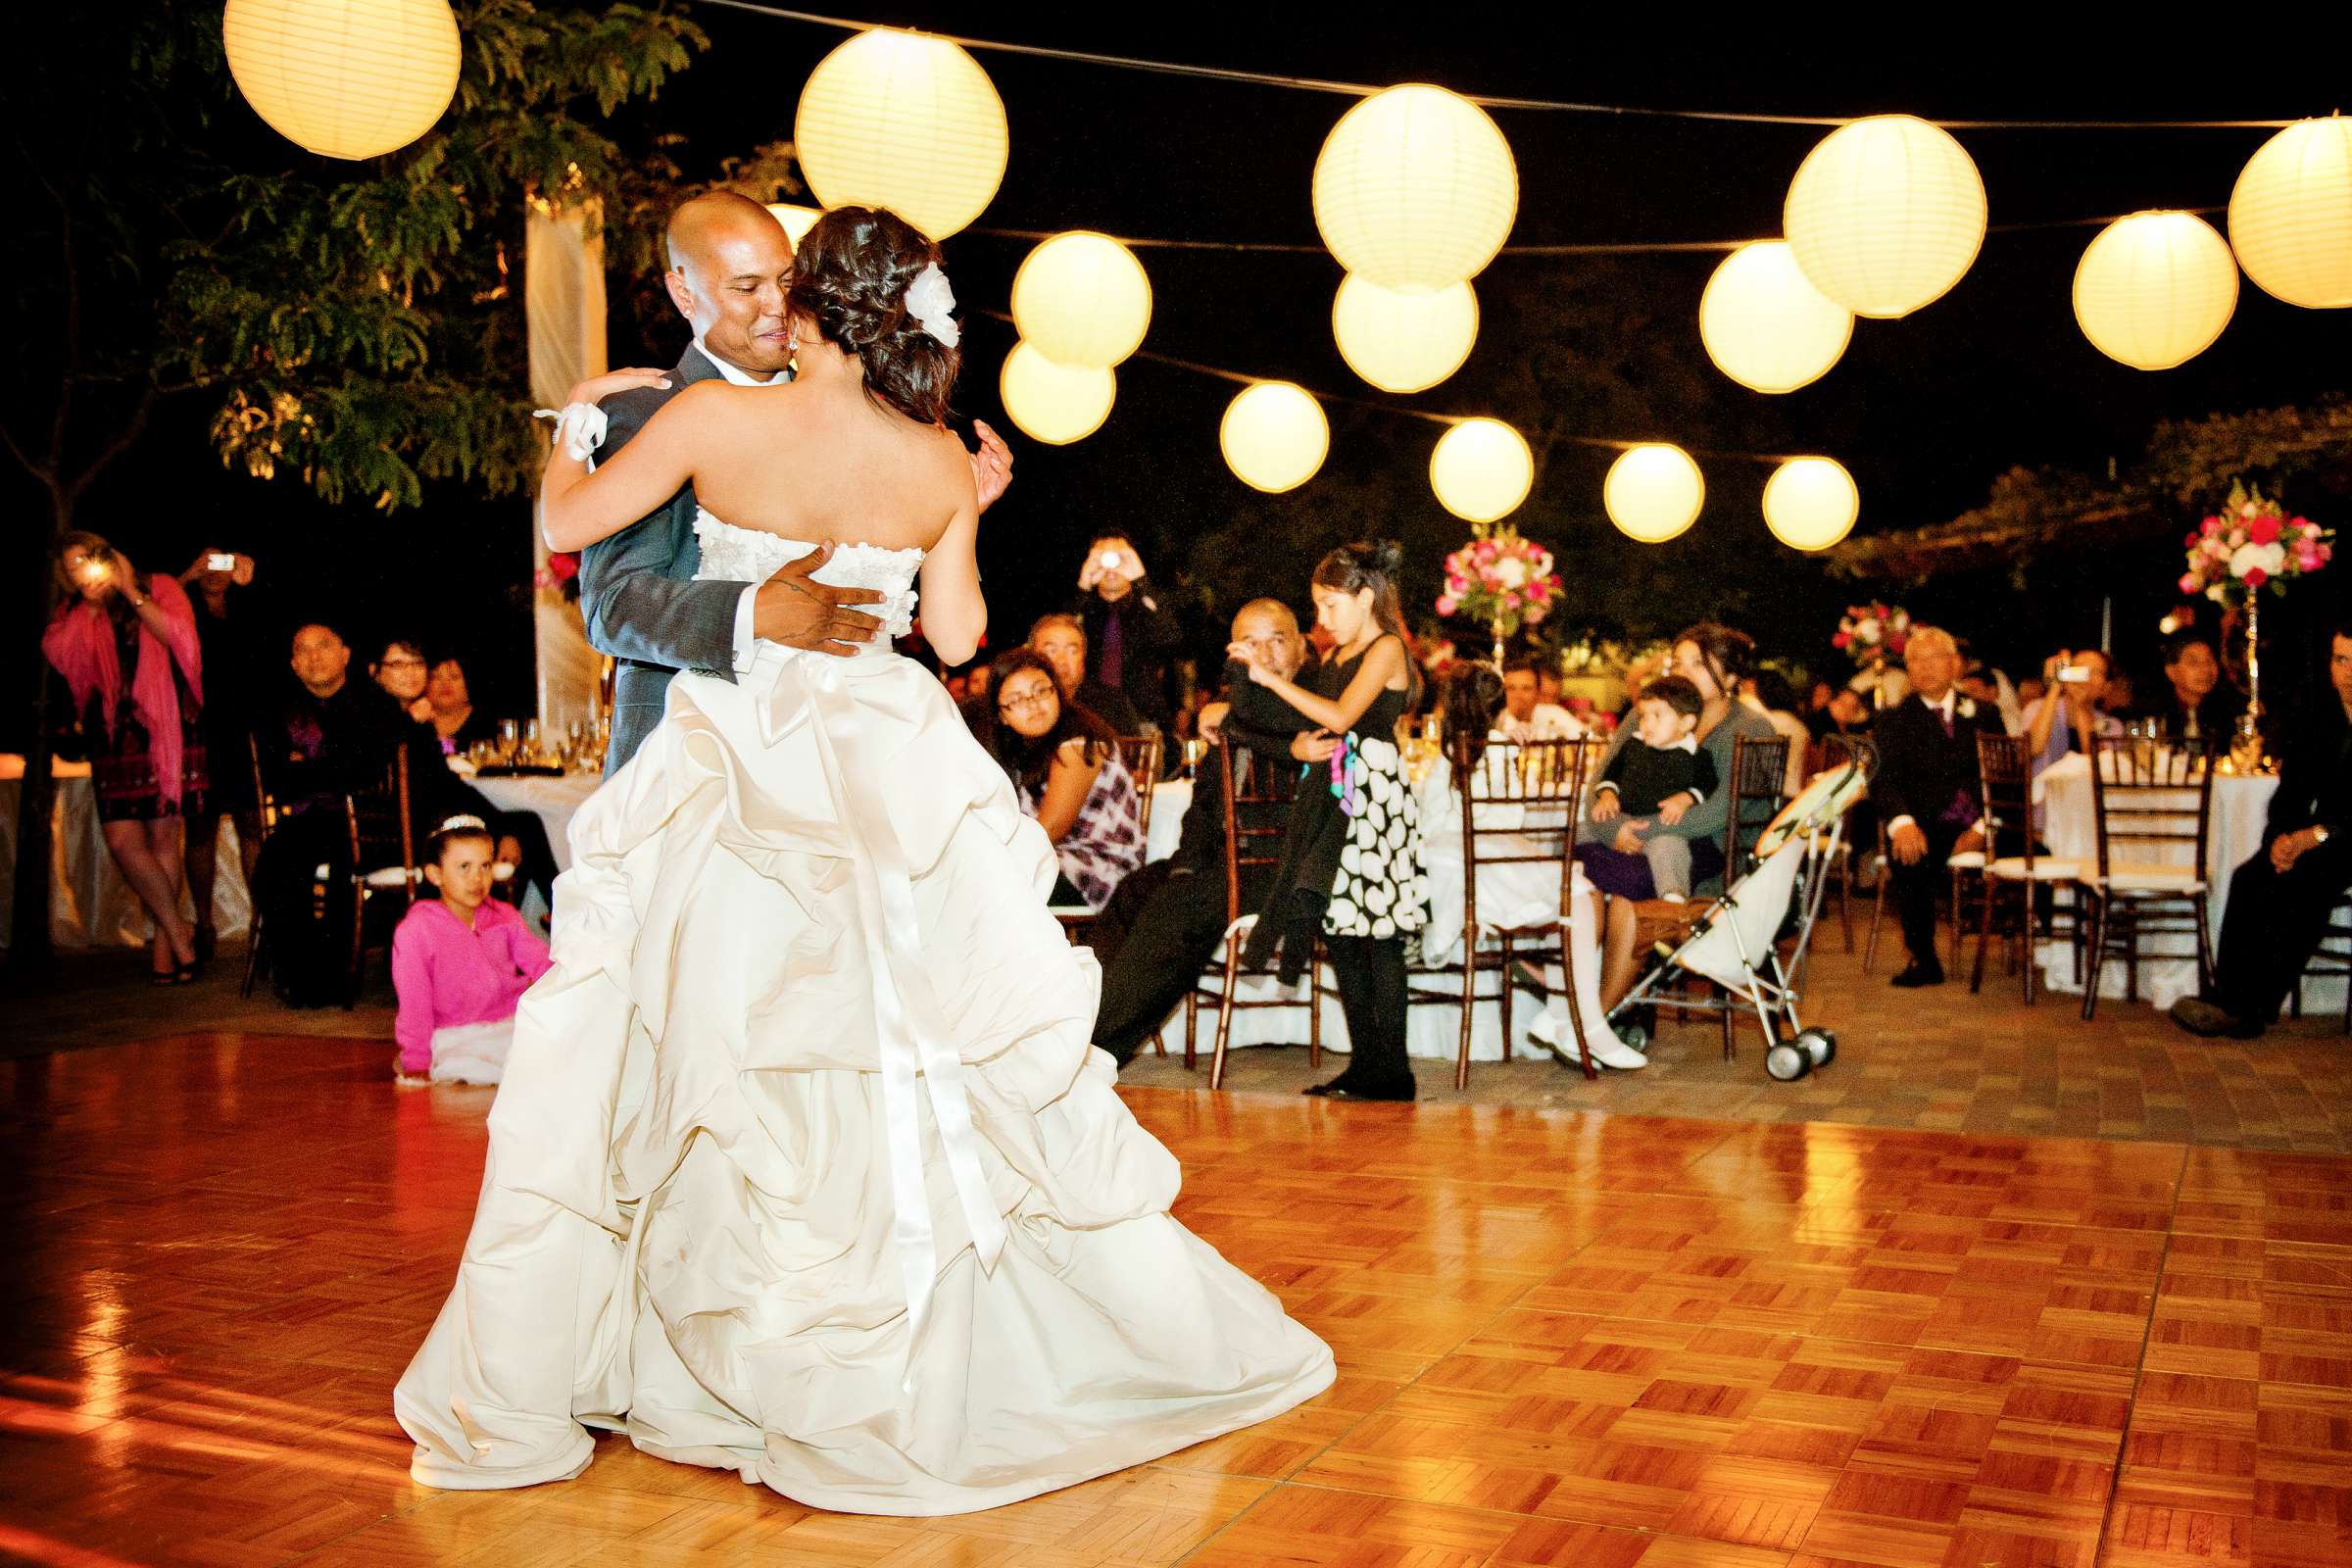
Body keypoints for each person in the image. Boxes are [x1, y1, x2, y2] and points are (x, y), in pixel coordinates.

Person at [396, 206, 1332, 1514]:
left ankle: (748, 1337)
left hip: (742, 765)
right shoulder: (940, 457)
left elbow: (572, 526)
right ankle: (914, 1329)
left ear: (815, 305)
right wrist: (951, 512)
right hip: (888, 761)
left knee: (722, 1049)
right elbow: (956, 632)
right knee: (906, 1052)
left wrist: (578, 431)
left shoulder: (714, 428)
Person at [572, 190, 1013, 774]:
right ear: (684, 292)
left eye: (786, 280)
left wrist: (951, 520)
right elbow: (611, 605)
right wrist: (751, 611)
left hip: (859, 753)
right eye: (745, 287)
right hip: (694, 757)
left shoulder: (886, 425)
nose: (775, 304)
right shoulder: (646, 410)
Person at [1228, 540, 1430, 1102]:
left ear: (1366, 598)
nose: (1322, 620)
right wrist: (1242, 686)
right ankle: (1367, 1065)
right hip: (1339, 793)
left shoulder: (1386, 648)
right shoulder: (1338, 657)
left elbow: (1342, 717)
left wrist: (1268, 679)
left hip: (1374, 798)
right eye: (1317, 607)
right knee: (1342, 928)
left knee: (1379, 935)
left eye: (1330, 606)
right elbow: (1298, 714)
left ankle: (1393, 1071)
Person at [1092, 601, 1318, 1064]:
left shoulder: (1318, 704)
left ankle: (1092, 1047)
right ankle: (1080, 1022)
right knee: (1136, 891)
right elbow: (1203, 807)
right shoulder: (1230, 713)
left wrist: (1228, 713)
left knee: (1178, 910)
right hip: (1222, 858)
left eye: (1276, 639)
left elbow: (1283, 726)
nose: (1264, 654)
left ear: (1300, 647)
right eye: (1249, 644)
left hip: (1277, 865)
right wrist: (1187, 861)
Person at [2168, 626, 2352, 1040]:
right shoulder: (2322, 717)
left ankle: (2254, 1008)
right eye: (2341, 660)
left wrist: (2317, 835)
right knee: (2251, 876)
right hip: (2318, 838)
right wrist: (2280, 841)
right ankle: (2225, 997)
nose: (2349, 672)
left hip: (2343, 839)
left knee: (2308, 883)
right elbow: (2291, 792)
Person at [1589, 624, 1780, 1012]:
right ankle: (1575, 1001)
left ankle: (1601, 1014)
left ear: (1729, 677)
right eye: (1678, 662)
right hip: (1642, 842)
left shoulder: (1750, 729)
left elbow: (1721, 812)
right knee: (1576, 878)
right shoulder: (1647, 712)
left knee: (1630, 891)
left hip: (1715, 859)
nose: (1683, 671)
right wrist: (1614, 830)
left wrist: (1640, 831)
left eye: (1699, 664)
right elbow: (1603, 779)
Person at [42, 532, 206, 983]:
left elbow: (180, 639)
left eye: (88, 560)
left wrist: (129, 590)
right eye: (72, 566)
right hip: (111, 734)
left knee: (162, 841)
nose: (82, 572)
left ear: (110, 556)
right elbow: (63, 657)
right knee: (121, 842)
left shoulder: (159, 586)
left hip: (166, 726)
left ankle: (164, 953)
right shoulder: (74, 610)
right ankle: (177, 930)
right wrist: (92, 608)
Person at [1867, 625, 1998, 989]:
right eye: (1915, 661)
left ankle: (2049, 952)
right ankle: (1924, 958)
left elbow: (2003, 779)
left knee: (2045, 855)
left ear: (1954, 663)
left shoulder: (1985, 714)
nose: (1925, 668)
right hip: (1928, 825)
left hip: (1982, 823)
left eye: (1934, 658)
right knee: (1909, 856)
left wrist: (1981, 830)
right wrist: (1902, 823)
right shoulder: (1893, 720)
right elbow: (1884, 780)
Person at [972, 648, 1144, 911]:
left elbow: (1049, 830)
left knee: (979, 887)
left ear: (1058, 693)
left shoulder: (1079, 742)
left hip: (1097, 869)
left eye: (1041, 691)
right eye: (1016, 699)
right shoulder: (1016, 747)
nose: (1033, 704)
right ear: (1001, 715)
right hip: (1051, 860)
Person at [388, 813, 553, 1085]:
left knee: (555, 1055)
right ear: (435, 874)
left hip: (509, 1023)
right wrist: (417, 1060)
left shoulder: (505, 916)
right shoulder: (417, 930)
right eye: (464, 867)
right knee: (481, 1069)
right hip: (457, 1034)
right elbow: (414, 1001)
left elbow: (541, 963)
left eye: (485, 866)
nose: (477, 877)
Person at [179, 547, 263, 966]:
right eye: (207, 564)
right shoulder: (182, 606)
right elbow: (148, 621)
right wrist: (187, 575)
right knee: (200, 829)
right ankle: (204, 923)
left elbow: (266, 647)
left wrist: (250, 590)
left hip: (243, 730)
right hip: (199, 731)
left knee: (252, 823)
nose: (215, 573)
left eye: (222, 565)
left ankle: (261, 923)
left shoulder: (244, 608)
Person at [1582, 675, 1716, 904]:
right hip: (1623, 819)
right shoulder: (1633, 745)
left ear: (1686, 723)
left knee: (1670, 847)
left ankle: (1673, 896)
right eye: (1643, 716)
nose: (1647, 723)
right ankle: (1562, 880)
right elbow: (1611, 774)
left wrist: (1684, 798)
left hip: (1659, 829)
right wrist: (1607, 795)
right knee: (1579, 830)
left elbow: (1707, 784)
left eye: (1657, 716)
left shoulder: (1695, 755)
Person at [1071, 534, 1180, 728]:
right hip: (1088, 718)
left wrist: (1141, 580)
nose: (1111, 566)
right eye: (1102, 558)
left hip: (1143, 718)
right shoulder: (1081, 609)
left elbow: (1171, 638)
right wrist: (1083, 585)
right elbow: (1059, 637)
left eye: (1120, 557)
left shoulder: (1149, 607)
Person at [1029, 611, 1146, 735]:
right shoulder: (1023, 703)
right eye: (1051, 651)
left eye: (1072, 651)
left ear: (1083, 659)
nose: (1062, 661)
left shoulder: (1113, 703)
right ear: (1031, 658)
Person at [2023, 646, 2122, 777]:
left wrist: (2080, 707)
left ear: (2106, 687)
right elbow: (2033, 748)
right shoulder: (2037, 708)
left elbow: (2099, 767)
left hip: (2088, 796)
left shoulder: (2111, 725)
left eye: (2095, 672)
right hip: (2047, 795)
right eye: (2078, 669)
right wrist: (2055, 686)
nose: (2085, 677)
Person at [2135, 629, 2241, 746]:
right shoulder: (2152, 713)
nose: (2206, 669)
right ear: (2171, 672)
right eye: (2194, 662)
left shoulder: (2229, 710)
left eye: (2209, 661)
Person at [1743, 669, 1814, 798]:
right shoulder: (1787, 718)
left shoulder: (1777, 719)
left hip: (1780, 793)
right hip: (1780, 789)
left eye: (1748, 693)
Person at [1494, 655, 1585, 742]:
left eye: (1526, 688)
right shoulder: (1499, 721)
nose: (1518, 695)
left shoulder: (1553, 712)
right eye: (1511, 688)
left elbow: (1586, 736)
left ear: (1537, 692)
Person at [421, 653, 498, 753]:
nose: (445, 684)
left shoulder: (487, 722)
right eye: (436, 677)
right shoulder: (415, 723)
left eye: (454, 677)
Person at [371, 637, 438, 727]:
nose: (411, 672)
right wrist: (411, 719)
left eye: (418, 663)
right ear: (376, 672)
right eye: (398, 664)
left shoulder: (427, 711)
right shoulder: (365, 714)